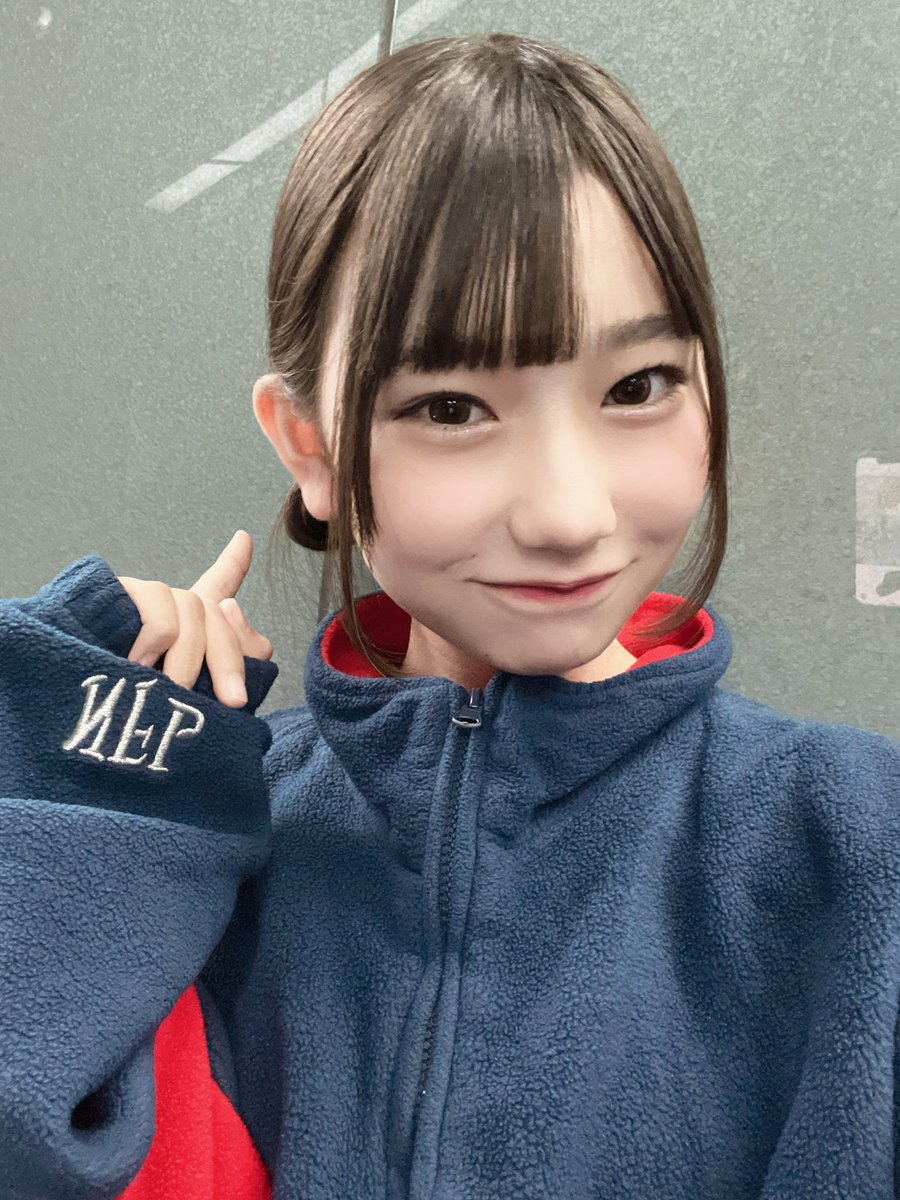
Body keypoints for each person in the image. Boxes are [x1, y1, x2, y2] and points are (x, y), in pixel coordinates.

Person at [1, 31, 899, 1200]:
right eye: (452, 408)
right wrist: (78, 778)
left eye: (638, 387)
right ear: (311, 449)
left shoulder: (854, 844)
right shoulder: (205, 843)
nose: (570, 515)